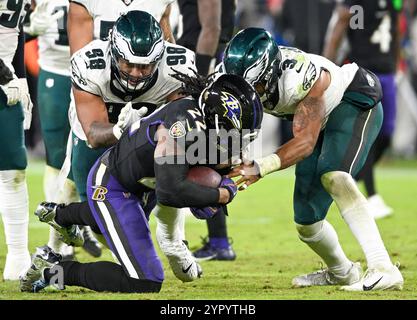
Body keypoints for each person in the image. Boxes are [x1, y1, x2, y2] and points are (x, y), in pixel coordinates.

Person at [19, 73, 263, 293]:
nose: (236, 141)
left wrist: (223, 172)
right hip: (115, 185)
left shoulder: (199, 120)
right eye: (234, 133)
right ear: (216, 119)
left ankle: (61, 215)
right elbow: (170, 192)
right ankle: (50, 270)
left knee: (119, 220)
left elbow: (195, 163)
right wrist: (220, 194)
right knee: (145, 280)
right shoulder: (179, 126)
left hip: (140, 184)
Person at [223, 27, 403, 291]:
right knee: (307, 221)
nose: (248, 93)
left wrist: (261, 166)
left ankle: (383, 268)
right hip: (318, 121)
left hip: (353, 99)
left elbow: (305, 142)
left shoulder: (300, 77)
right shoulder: (229, 77)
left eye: (257, 85)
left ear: (271, 71)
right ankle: (343, 271)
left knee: (335, 176)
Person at [64, 0, 177, 255]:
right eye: (129, 64)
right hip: (100, 106)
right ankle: (64, 221)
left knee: (176, 165)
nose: (136, 73)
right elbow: (93, 134)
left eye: (144, 66)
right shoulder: (89, 65)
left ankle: (173, 240)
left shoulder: (174, 67)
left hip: (148, 115)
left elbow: (183, 122)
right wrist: (119, 130)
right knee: (98, 220)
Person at [323, 0, 403, 219]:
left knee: (385, 136)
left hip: (387, 71)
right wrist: (326, 64)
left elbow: (395, 28)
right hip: (364, 72)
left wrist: (396, 65)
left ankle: (352, 179)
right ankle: (372, 196)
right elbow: (340, 22)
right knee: (367, 134)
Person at [23, 0, 90, 259]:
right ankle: (63, 235)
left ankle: (84, 222)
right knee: (56, 158)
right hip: (55, 70)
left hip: (92, 73)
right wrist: (29, 28)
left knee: (88, 152)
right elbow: (13, 28)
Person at [177, 0, 238, 261]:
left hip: (202, 64)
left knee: (193, 152)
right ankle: (219, 241)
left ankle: (218, 241)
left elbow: (211, 27)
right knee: (206, 154)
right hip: (207, 59)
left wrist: (197, 80)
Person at [0, 0, 33, 280]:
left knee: (14, 170)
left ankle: (18, 254)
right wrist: (4, 72)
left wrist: (20, 79)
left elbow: (14, 30)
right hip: (2, 76)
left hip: (5, 82)